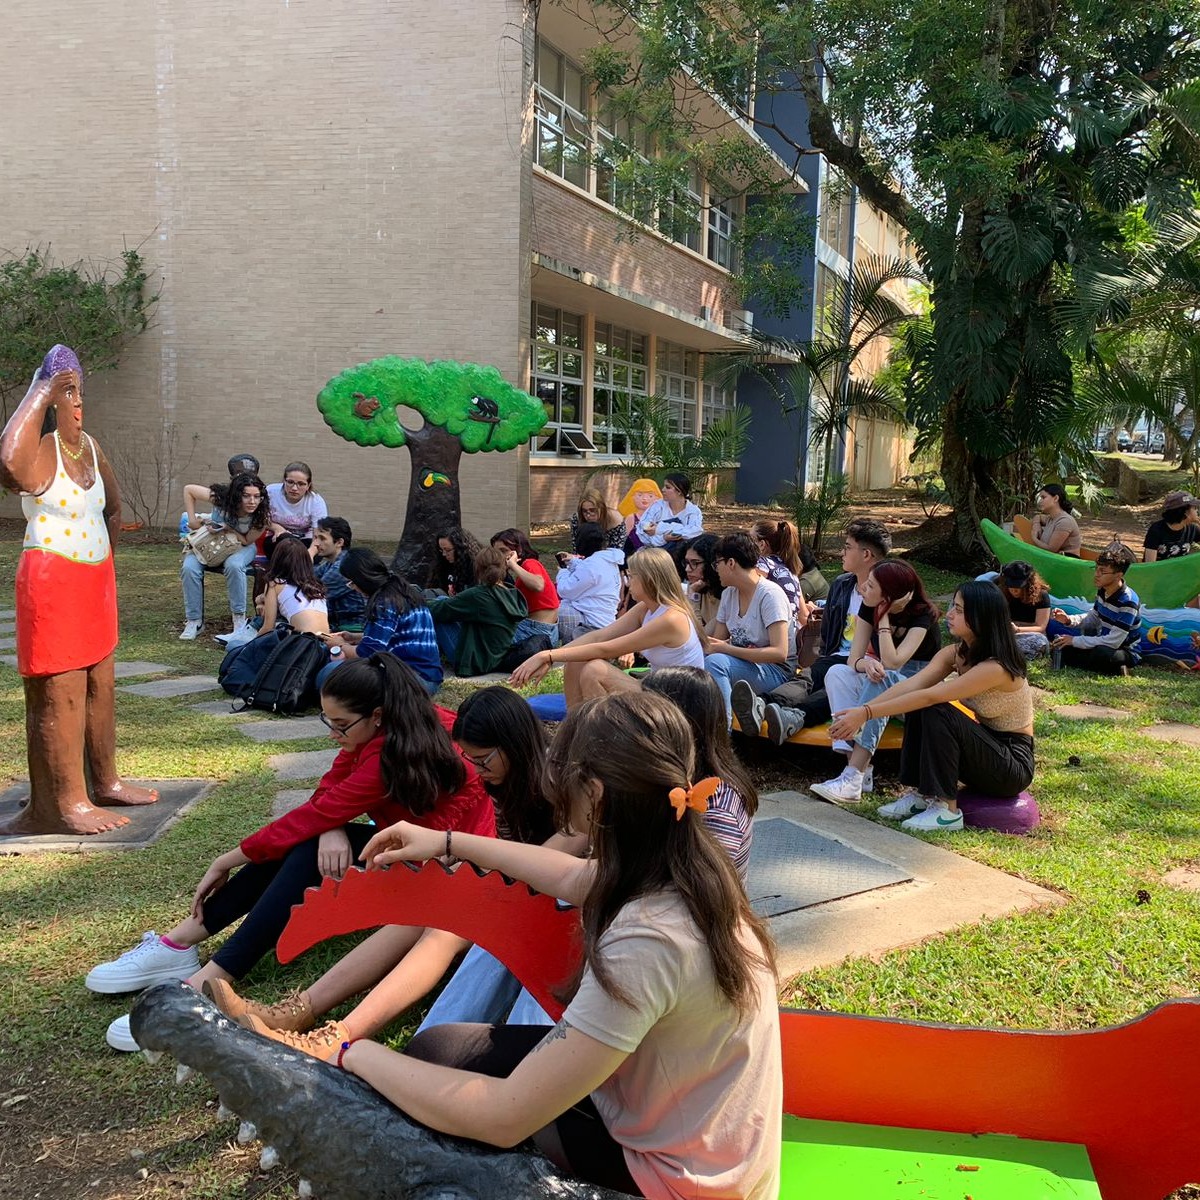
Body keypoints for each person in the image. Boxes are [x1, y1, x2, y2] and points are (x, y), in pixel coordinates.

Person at [338, 691, 782, 1199]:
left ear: (593, 793)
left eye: (562, 774)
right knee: (438, 1049)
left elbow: (504, 1117)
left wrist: (355, 1053)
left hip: (674, 1180)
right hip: (700, 1140)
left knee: (441, 1102)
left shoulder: (648, 938)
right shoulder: (687, 865)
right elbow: (572, 875)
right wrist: (446, 843)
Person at [87, 655, 495, 1051]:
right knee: (309, 840)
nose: (332, 734)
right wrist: (332, 825)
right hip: (413, 851)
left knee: (302, 848)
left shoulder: (389, 755)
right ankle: (178, 945)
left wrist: (227, 859)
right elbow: (326, 792)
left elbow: (311, 813)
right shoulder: (391, 727)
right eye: (327, 721)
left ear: (377, 715)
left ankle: (206, 982)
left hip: (449, 868)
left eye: (339, 725)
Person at [204, 686, 556, 1058]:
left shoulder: (560, 784)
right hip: (510, 887)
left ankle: (337, 1037)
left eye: (483, 760)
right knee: (423, 912)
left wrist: (454, 848)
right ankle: (299, 1012)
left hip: (550, 903)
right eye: (471, 759)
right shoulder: (499, 775)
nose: (478, 770)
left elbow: (549, 867)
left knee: (443, 929)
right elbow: (330, 793)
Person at [0, 344, 158, 836]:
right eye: (66, 392)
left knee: (100, 684)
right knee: (59, 693)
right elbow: (9, 465)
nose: (76, 403)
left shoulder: (88, 446)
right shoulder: (41, 450)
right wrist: (41, 389)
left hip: (94, 579)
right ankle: (61, 802)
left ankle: (103, 779)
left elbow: (112, 505)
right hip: (52, 580)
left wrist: (107, 558)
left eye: (77, 391)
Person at [829, 581, 1035, 834]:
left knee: (936, 707)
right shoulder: (956, 653)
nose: (949, 614)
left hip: (1011, 765)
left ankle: (946, 811)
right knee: (922, 702)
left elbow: (932, 696)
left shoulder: (996, 667)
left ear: (980, 617)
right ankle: (920, 796)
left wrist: (866, 713)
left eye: (959, 610)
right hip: (986, 747)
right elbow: (913, 685)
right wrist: (863, 711)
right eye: (953, 606)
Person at [741, 517, 892, 744]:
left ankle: (796, 715)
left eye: (847, 547)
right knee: (810, 678)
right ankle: (762, 703)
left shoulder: (891, 589)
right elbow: (831, 629)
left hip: (872, 664)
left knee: (834, 685)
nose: (842, 553)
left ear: (866, 555)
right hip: (837, 656)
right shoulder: (842, 584)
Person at [804, 561, 941, 805]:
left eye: (871, 585)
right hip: (886, 681)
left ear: (888, 595)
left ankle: (853, 777)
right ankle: (859, 772)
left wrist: (884, 617)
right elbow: (853, 659)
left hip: (917, 690)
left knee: (882, 679)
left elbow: (894, 661)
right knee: (837, 673)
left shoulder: (923, 614)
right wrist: (865, 664)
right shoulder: (868, 607)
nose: (863, 589)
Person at [509, 547, 705, 702]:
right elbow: (598, 636)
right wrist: (549, 659)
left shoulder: (672, 619)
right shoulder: (646, 608)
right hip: (657, 688)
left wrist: (548, 655)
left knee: (595, 670)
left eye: (631, 576)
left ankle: (601, 739)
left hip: (677, 701)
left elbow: (605, 649)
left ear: (649, 580)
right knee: (577, 660)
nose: (627, 582)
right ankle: (574, 732)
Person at [643, 667, 757, 881]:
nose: (638, 724)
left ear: (681, 724)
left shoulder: (718, 810)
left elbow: (704, 894)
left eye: (647, 716)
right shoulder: (673, 777)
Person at [703, 533, 796, 726]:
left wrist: (727, 649)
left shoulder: (770, 595)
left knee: (716, 663)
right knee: (702, 662)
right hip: (744, 665)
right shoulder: (729, 594)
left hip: (776, 672)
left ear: (730, 563)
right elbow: (717, 641)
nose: (715, 570)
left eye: (716, 563)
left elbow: (780, 653)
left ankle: (722, 734)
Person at [319, 549, 442, 694]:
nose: (353, 588)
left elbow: (367, 653)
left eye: (352, 583)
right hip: (427, 677)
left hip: (412, 681)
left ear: (362, 580)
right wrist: (354, 637)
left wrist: (339, 645)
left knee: (330, 672)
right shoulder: (401, 590)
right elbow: (394, 635)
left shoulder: (384, 602)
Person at [180, 472, 271, 640]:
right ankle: (194, 621)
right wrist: (192, 520)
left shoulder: (261, 516)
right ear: (237, 495)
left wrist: (227, 528)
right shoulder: (221, 498)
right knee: (189, 567)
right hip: (210, 543)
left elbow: (245, 540)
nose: (252, 501)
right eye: (246, 496)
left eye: (257, 496)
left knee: (234, 565)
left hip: (241, 546)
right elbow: (189, 490)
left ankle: (239, 619)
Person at [428, 546, 528, 676]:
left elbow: (437, 610)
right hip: (495, 656)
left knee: (436, 610)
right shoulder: (511, 592)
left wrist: (413, 599)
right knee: (443, 601)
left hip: (475, 663)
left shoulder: (479, 595)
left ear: (478, 568)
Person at [1047, 542, 1142, 675]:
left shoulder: (1129, 601)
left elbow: (1113, 641)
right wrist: (1068, 620)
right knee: (1061, 646)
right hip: (1102, 642)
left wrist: (1074, 641)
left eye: (1102, 571)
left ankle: (1120, 667)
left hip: (1123, 650)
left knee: (1101, 653)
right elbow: (1094, 617)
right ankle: (1108, 668)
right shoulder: (1103, 591)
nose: (1096, 574)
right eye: (1096, 569)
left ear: (1118, 575)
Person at [555, 522, 625, 643]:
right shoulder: (608, 559)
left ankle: (570, 651)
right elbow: (588, 572)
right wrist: (573, 561)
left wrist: (563, 572)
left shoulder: (591, 566)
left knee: (558, 611)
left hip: (591, 623)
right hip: (605, 619)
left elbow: (565, 590)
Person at [490, 528, 560, 646]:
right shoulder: (523, 573)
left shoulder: (530, 563)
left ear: (519, 550)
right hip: (545, 630)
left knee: (486, 640)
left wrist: (512, 564)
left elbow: (538, 585)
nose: (499, 557)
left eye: (503, 551)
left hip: (535, 630)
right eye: (496, 553)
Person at [256, 536, 330, 636]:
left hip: (302, 644)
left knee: (235, 645)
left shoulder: (274, 584)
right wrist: (261, 601)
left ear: (277, 560)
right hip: (326, 644)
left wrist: (246, 647)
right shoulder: (315, 585)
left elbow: (268, 628)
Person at [751, 518, 813, 622]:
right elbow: (804, 615)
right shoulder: (789, 570)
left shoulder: (761, 565)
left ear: (761, 544)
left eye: (750, 540)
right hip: (791, 633)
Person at [311, 516, 367, 631]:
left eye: (322, 538)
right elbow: (303, 577)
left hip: (354, 627)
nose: (316, 543)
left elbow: (311, 593)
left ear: (339, 542)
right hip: (338, 624)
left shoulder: (343, 567)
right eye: (315, 538)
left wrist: (309, 554)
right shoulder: (330, 564)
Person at [635, 472, 704, 550]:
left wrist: (659, 528)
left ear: (679, 491)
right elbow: (643, 528)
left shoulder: (692, 511)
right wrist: (663, 538)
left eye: (667, 487)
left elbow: (695, 531)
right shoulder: (658, 506)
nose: (663, 490)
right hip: (654, 553)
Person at [998, 560, 1051, 660]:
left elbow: (1041, 626)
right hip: (1004, 634)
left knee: (1039, 642)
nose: (1014, 590)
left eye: (1018, 586)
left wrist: (1017, 629)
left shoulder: (1041, 596)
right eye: (1011, 586)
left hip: (1029, 635)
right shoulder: (1000, 593)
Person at [265, 462, 327, 547]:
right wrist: (277, 528)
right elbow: (260, 519)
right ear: (284, 481)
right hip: (278, 537)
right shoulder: (270, 492)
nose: (294, 488)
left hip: (306, 540)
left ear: (308, 485)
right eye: (290, 482)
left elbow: (319, 534)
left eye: (301, 484)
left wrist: (309, 555)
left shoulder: (316, 501)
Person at [681, 533, 723, 631]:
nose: (687, 569)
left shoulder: (727, 594)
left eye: (695, 563)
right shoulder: (695, 585)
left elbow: (699, 635)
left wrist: (693, 597)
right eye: (686, 562)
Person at [426, 527, 484, 597]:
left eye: (448, 550)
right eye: (441, 550)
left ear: (460, 548)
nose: (444, 554)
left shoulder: (474, 566)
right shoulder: (442, 565)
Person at [1143, 490, 1199, 562]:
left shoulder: (1192, 529)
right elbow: (1150, 564)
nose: (1197, 511)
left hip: (1181, 571)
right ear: (1186, 512)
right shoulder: (1156, 530)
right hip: (1158, 571)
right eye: (1194, 508)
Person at [1029, 484, 1082, 556]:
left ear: (1056, 498)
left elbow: (1051, 549)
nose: (1040, 501)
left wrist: (1033, 538)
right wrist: (1036, 525)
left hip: (1067, 562)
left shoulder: (1064, 521)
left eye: (1043, 497)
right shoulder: (1051, 518)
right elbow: (1037, 517)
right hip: (1052, 559)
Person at [617, 477, 662, 551]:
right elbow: (623, 538)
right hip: (634, 555)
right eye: (640, 495)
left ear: (657, 498)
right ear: (633, 497)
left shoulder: (659, 517)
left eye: (650, 496)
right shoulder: (631, 518)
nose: (644, 498)